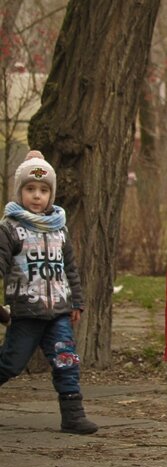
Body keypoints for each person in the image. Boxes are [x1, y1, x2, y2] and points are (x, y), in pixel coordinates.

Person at [0, 150, 97, 435]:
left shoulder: (59, 230)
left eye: (43, 190)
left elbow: (70, 269)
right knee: (11, 362)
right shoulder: (10, 229)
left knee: (66, 361)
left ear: (51, 195)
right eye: (30, 189)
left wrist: (76, 302)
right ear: (19, 192)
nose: (37, 196)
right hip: (27, 312)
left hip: (59, 313)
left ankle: (73, 416)